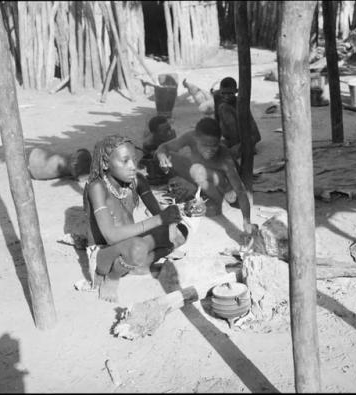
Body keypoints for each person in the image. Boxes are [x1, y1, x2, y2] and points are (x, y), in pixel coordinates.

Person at [83, 135, 188, 303]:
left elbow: (157, 212)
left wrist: (179, 213)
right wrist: (161, 220)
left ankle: (136, 266)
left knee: (181, 232)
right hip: (105, 252)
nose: (133, 166)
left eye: (134, 160)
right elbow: (110, 236)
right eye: (125, 161)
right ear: (105, 163)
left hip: (132, 243)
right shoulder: (97, 187)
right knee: (138, 248)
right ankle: (113, 277)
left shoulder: (137, 181)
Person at [155, 117, 254, 235]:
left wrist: (247, 221)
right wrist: (162, 157)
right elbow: (164, 147)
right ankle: (199, 193)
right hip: (201, 176)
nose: (210, 149)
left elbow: (240, 190)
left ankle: (217, 204)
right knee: (166, 156)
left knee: (197, 170)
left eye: (214, 145)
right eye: (205, 145)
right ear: (196, 138)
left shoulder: (224, 158)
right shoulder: (190, 137)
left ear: (219, 141)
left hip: (224, 188)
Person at [212, 77, 261, 158]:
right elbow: (216, 121)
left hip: (243, 141)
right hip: (229, 140)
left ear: (236, 91)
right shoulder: (217, 97)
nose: (226, 96)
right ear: (220, 91)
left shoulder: (241, 104)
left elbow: (257, 135)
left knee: (227, 155)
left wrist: (241, 146)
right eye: (223, 93)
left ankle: (243, 150)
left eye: (230, 93)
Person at [138, 115, 176, 185]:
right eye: (164, 131)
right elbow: (147, 162)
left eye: (169, 128)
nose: (169, 133)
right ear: (153, 133)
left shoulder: (172, 134)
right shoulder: (148, 144)